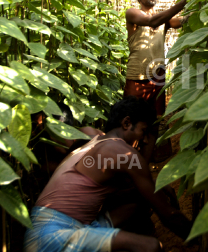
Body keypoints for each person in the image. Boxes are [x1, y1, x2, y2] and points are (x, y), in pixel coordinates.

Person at [23, 96, 193, 252]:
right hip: (51, 237)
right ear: (126, 123)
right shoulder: (124, 154)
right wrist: (199, 236)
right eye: (144, 131)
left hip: (53, 228)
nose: (146, 140)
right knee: (151, 246)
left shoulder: (93, 136)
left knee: (138, 202)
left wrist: (156, 185)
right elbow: (168, 215)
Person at [123, 0, 192, 161]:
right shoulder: (132, 13)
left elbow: (183, 20)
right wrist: (183, 2)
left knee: (155, 122)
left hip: (157, 78)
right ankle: (127, 163)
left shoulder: (164, 19)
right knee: (132, 122)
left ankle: (145, 164)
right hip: (137, 77)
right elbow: (154, 21)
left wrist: (199, 3)